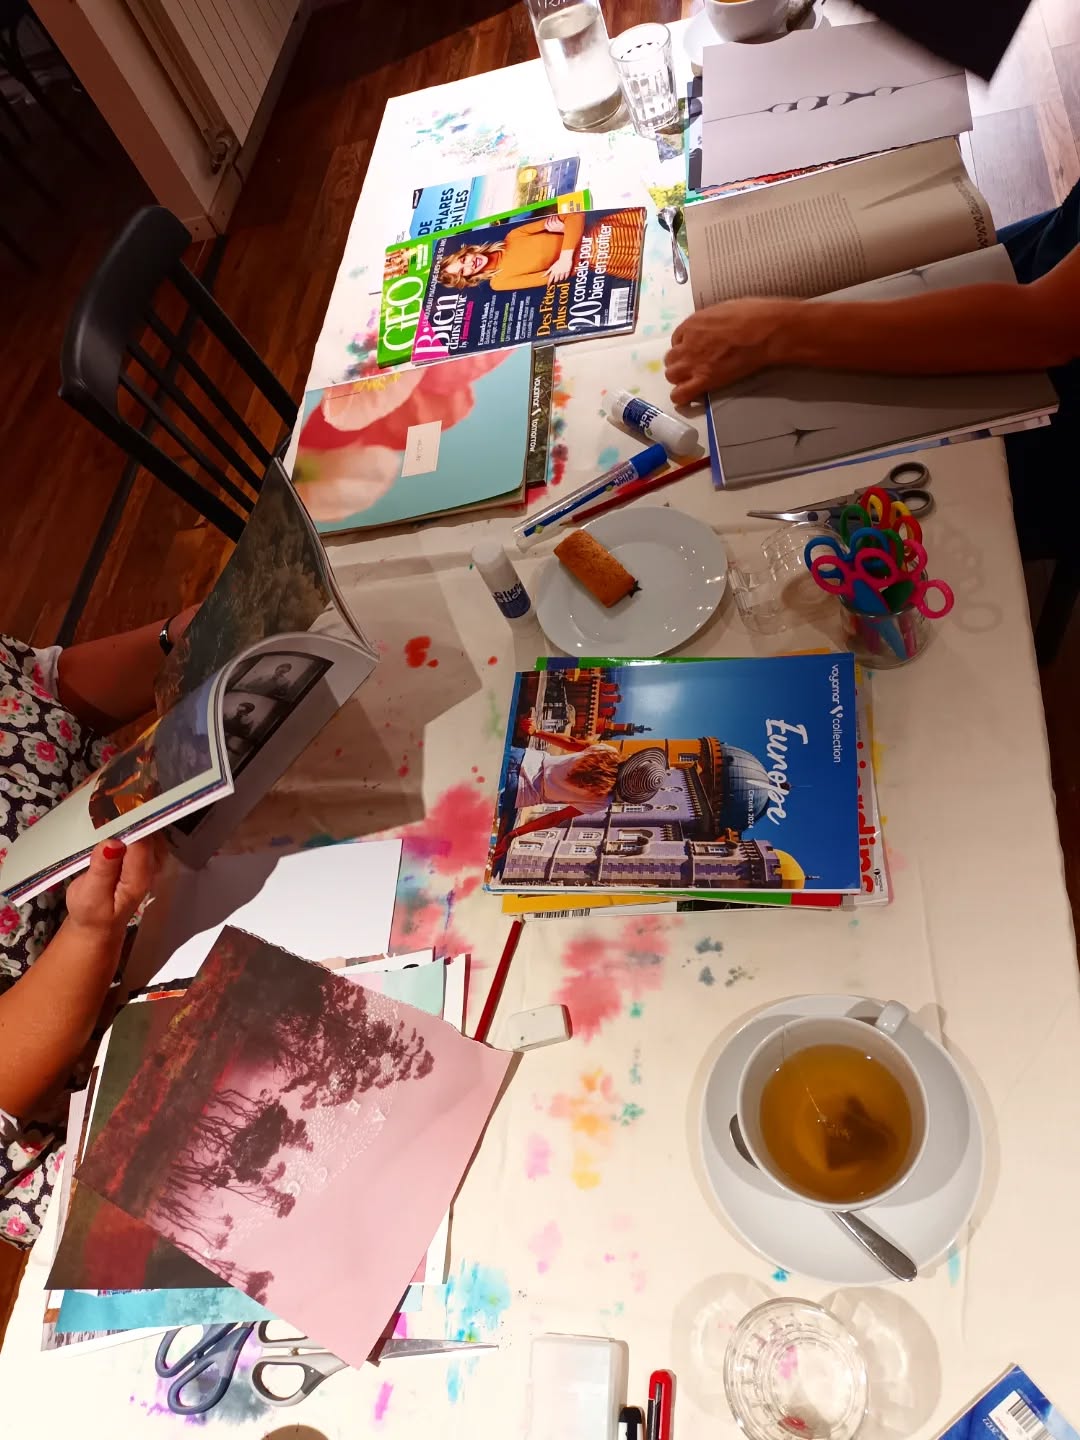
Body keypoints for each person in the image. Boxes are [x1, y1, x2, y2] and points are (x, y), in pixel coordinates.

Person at [663, 188, 1080, 555]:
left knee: (942, 525)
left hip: (1057, 408)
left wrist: (774, 331)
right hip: (1054, 247)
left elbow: (1045, 329)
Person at [0, 611, 194, 1248]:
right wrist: (90, 934)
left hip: (161, 869)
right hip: (81, 1105)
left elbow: (37, 687)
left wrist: (175, 640)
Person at [437, 209, 645, 292]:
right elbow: (563, 274)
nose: (469, 264)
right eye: (463, 271)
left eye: (463, 260)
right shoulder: (499, 282)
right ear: (467, 278)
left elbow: (576, 216)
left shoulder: (514, 236)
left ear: (467, 252)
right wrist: (568, 236)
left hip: (612, 226)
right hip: (607, 258)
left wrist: (565, 253)